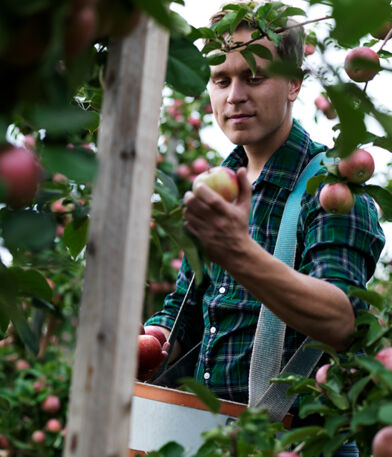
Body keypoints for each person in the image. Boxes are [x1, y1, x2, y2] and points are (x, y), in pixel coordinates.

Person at [142, 2, 386, 456]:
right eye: (221, 80)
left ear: (294, 83)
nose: (234, 95)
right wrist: (154, 340)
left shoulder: (332, 188)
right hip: (210, 437)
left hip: (300, 445)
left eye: (254, 78)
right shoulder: (218, 188)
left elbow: (340, 321)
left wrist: (238, 252)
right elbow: (186, 309)